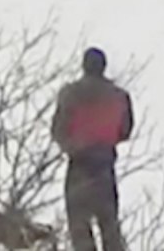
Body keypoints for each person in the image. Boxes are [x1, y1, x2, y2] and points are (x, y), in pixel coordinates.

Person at [49, 46, 134, 251]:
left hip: (79, 167)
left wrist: (72, 145)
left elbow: (58, 130)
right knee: (110, 229)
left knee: (79, 229)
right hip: (105, 168)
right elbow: (125, 131)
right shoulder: (120, 96)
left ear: (83, 66)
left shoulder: (70, 93)